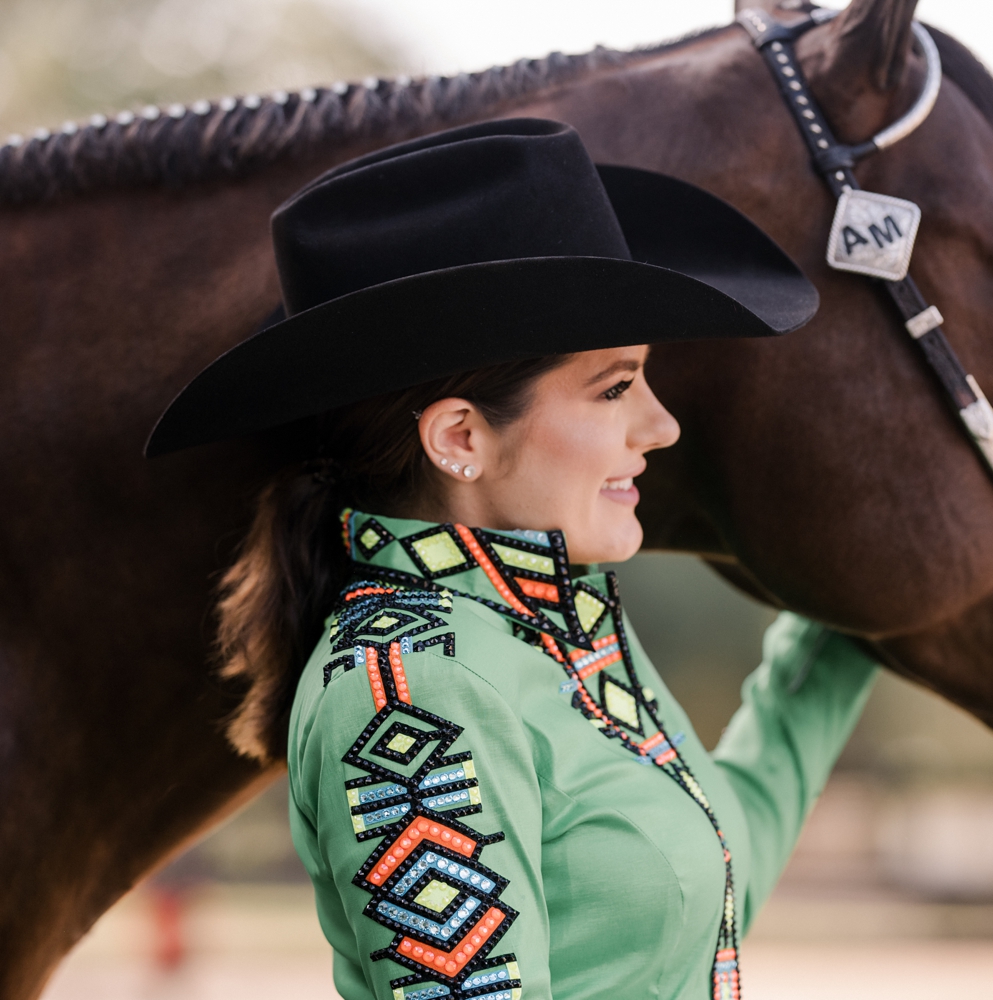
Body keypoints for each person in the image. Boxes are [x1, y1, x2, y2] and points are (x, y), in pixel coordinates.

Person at [147, 119, 881, 1000]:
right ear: (461, 438)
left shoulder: (555, 628)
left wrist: (846, 630)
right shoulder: (407, 690)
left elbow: (700, 890)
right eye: (615, 388)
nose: (661, 426)